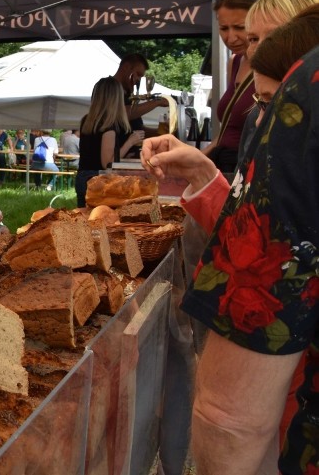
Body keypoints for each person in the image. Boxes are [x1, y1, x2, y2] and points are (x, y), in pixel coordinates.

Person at [141, 42, 319, 475]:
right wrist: (205, 175)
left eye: (260, 36)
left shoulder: (308, 92)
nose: (245, 47)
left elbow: (230, 419)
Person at [237, 0, 319, 163]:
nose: (260, 49)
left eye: (275, 36)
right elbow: (246, 188)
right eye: (253, 39)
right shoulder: (258, 112)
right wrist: (204, 176)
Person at [202, 0, 267, 174]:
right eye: (224, 28)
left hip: (248, 168)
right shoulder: (235, 61)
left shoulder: (271, 65)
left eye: (240, 27)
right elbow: (227, 132)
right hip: (225, 166)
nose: (230, 38)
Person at [74, 76, 145, 207]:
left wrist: (122, 154)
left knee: (84, 220)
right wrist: (130, 142)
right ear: (116, 98)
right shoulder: (108, 125)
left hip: (82, 177)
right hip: (97, 181)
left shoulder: (87, 119)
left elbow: (93, 152)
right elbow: (107, 163)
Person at [113, 53, 169, 142]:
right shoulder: (106, 87)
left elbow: (139, 130)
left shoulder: (127, 93)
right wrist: (157, 101)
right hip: (116, 153)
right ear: (126, 67)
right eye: (138, 74)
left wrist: (163, 134)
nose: (138, 79)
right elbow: (121, 114)